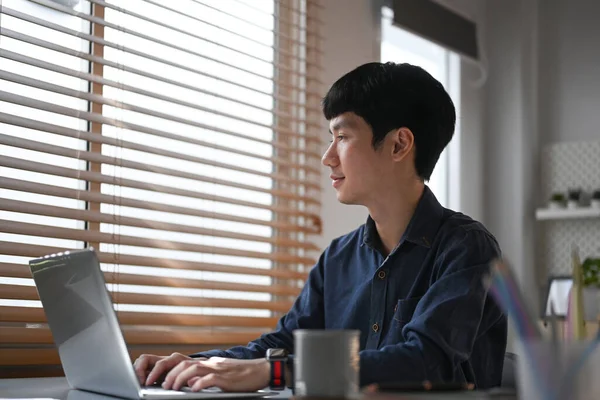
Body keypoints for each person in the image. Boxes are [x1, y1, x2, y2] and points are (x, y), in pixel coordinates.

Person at [134, 62, 507, 392]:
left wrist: (275, 373)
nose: (327, 157)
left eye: (342, 137)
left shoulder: (467, 250)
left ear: (399, 144)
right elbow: (284, 343)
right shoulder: (338, 258)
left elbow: (426, 362)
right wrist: (198, 363)